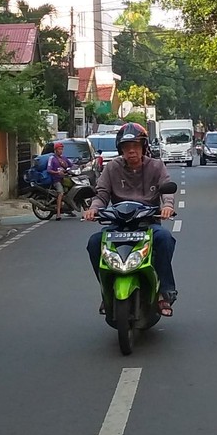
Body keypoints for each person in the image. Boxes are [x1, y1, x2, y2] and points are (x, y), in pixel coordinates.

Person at [83, 122, 179, 315]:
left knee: (164, 239)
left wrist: (168, 206)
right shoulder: (112, 168)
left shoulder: (156, 166)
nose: (131, 151)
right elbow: (101, 194)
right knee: (94, 243)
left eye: (136, 146)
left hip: (147, 223)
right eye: (127, 147)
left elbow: (166, 188)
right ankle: (106, 292)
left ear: (143, 147)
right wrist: (93, 209)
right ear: (121, 149)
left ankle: (165, 292)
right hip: (118, 225)